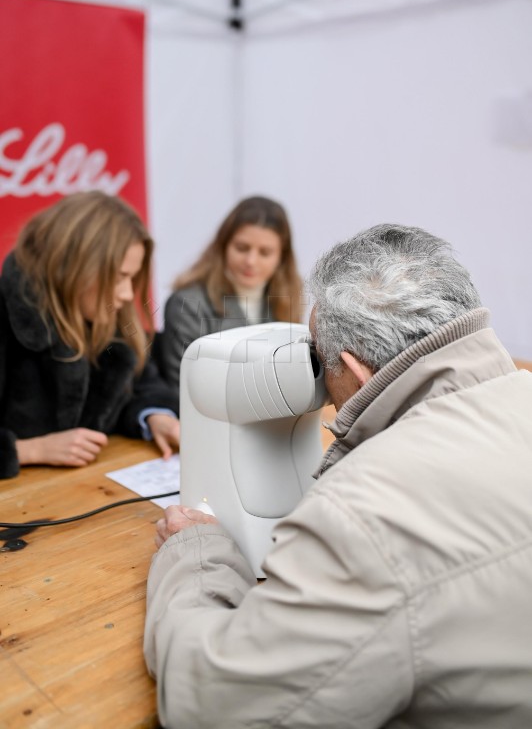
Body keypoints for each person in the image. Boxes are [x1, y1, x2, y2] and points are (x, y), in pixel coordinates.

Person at [144, 224, 532, 729]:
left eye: (323, 365)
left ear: (353, 367)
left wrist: (196, 554)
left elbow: (217, 706)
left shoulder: (366, 517)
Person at [0, 191, 180, 479]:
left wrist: (156, 416)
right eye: (118, 276)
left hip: (90, 497)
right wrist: (30, 450)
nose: (126, 293)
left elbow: (143, 384)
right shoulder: (7, 316)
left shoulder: (108, 311)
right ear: (74, 267)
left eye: (131, 277)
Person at [157, 195, 302, 398]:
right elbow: (183, 389)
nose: (251, 261)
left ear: (282, 257)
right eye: (242, 248)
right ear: (223, 246)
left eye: (265, 252)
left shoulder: (288, 300)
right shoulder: (187, 304)